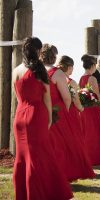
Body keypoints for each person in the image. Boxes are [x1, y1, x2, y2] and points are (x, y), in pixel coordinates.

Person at [12, 37, 73, 200]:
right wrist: (49, 118)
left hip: (19, 116)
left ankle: (24, 194)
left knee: (23, 157)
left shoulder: (15, 70)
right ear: (38, 51)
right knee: (40, 156)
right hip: (36, 115)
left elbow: (18, 97)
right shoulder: (39, 69)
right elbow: (47, 97)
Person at [41, 44, 95, 182]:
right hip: (58, 111)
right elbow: (66, 96)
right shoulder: (56, 73)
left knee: (47, 144)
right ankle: (64, 173)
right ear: (54, 57)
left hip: (42, 110)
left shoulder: (37, 71)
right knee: (63, 144)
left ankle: (47, 173)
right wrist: (66, 110)